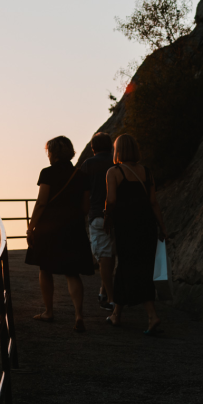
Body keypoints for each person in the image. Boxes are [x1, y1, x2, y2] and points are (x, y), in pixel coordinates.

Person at [25, 136, 94, 332]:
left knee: (45, 268)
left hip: (49, 228)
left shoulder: (47, 173)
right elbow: (85, 207)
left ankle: (48, 311)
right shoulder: (81, 176)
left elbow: (41, 202)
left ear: (52, 153)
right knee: (72, 272)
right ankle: (79, 315)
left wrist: (31, 227)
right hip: (73, 227)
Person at [104, 134, 169, 335]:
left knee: (129, 268)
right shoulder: (147, 172)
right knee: (139, 268)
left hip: (126, 226)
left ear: (118, 151)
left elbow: (112, 200)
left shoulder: (114, 172)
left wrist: (107, 218)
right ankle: (116, 314)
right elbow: (153, 202)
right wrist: (162, 227)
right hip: (147, 226)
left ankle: (152, 315)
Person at [80, 132, 116, 311]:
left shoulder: (88, 165)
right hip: (118, 215)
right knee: (112, 255)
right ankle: (103, 291)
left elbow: (82, 191)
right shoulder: (117, 162)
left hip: (98, 215)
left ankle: (111, 298)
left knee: (103, 257)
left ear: (93, 147)